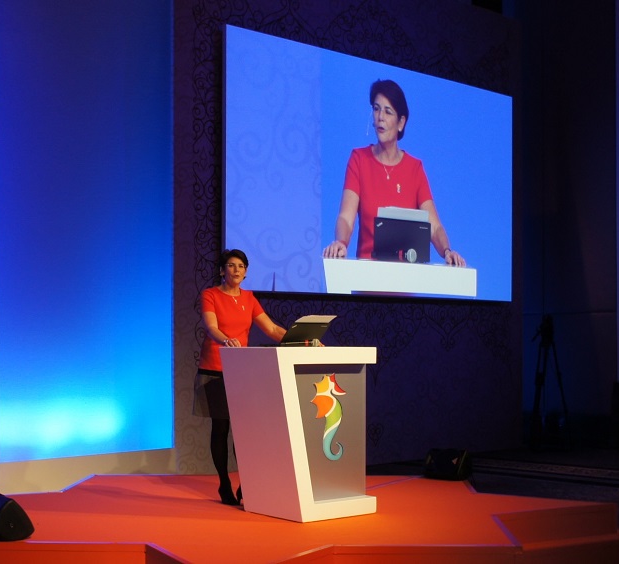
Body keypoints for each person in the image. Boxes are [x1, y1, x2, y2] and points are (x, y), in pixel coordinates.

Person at [322, 79, 466, 267]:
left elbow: (434, 226)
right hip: (367, 279)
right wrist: (340, 243)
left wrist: (447, 251)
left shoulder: (415, 168)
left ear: (401, 122)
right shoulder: (359, 159)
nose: (380, 117)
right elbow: (345, 218)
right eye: (376, 109)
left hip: (404, 283)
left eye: (388, 111)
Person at [194, 248, 287, 505]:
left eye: (241, 266)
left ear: (246, 273)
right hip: (215, 368)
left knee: (245, 431)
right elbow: (211, 327)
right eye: (231, 265)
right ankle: (224, 483)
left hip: (242, 371)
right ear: (223, 270)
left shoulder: (249, 298)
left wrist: (301, 340)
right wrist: (227, 340)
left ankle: (246, 484)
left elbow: (271, 328)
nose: (236, 270)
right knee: (221, 427)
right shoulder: (210, 294)